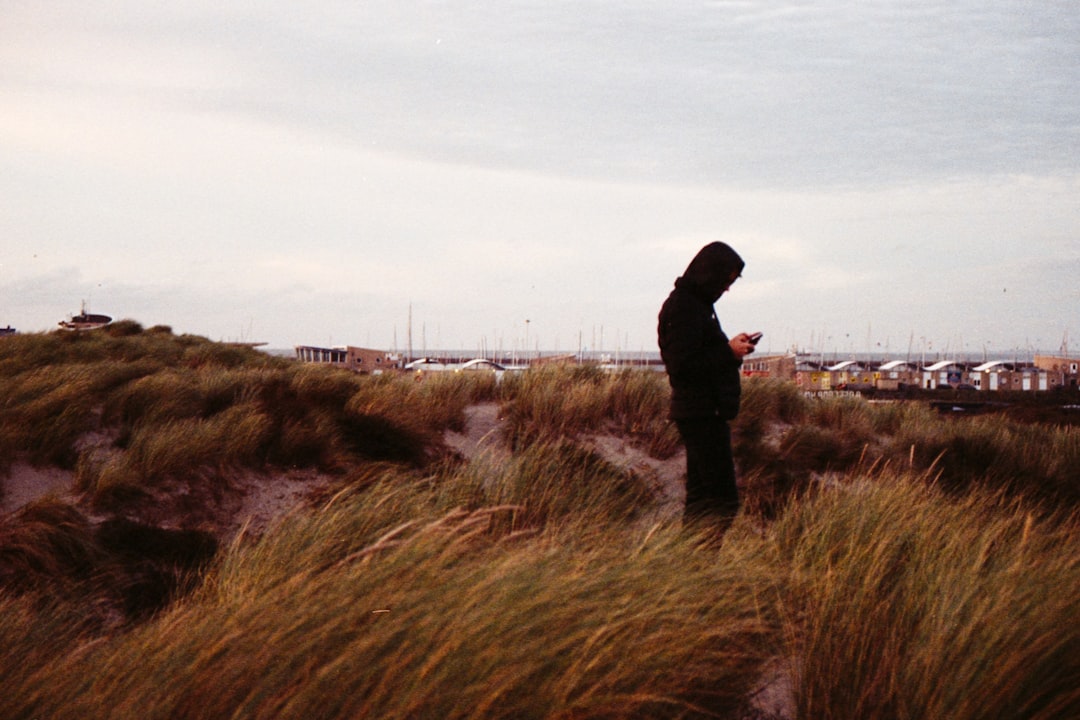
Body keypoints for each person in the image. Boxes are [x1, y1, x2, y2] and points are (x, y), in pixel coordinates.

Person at [657, 242, 758, 539]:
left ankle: (692, 567)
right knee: (721, 502)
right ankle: (700, 565)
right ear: (709, 273)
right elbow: (682, 365)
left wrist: (731, 349)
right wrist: (729, 352)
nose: (726, 289)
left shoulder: (698, 305)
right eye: (725, 281)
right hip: (699, 414)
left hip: (706, 412)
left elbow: (700, 356)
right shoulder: (683, 306)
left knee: (702, 501)